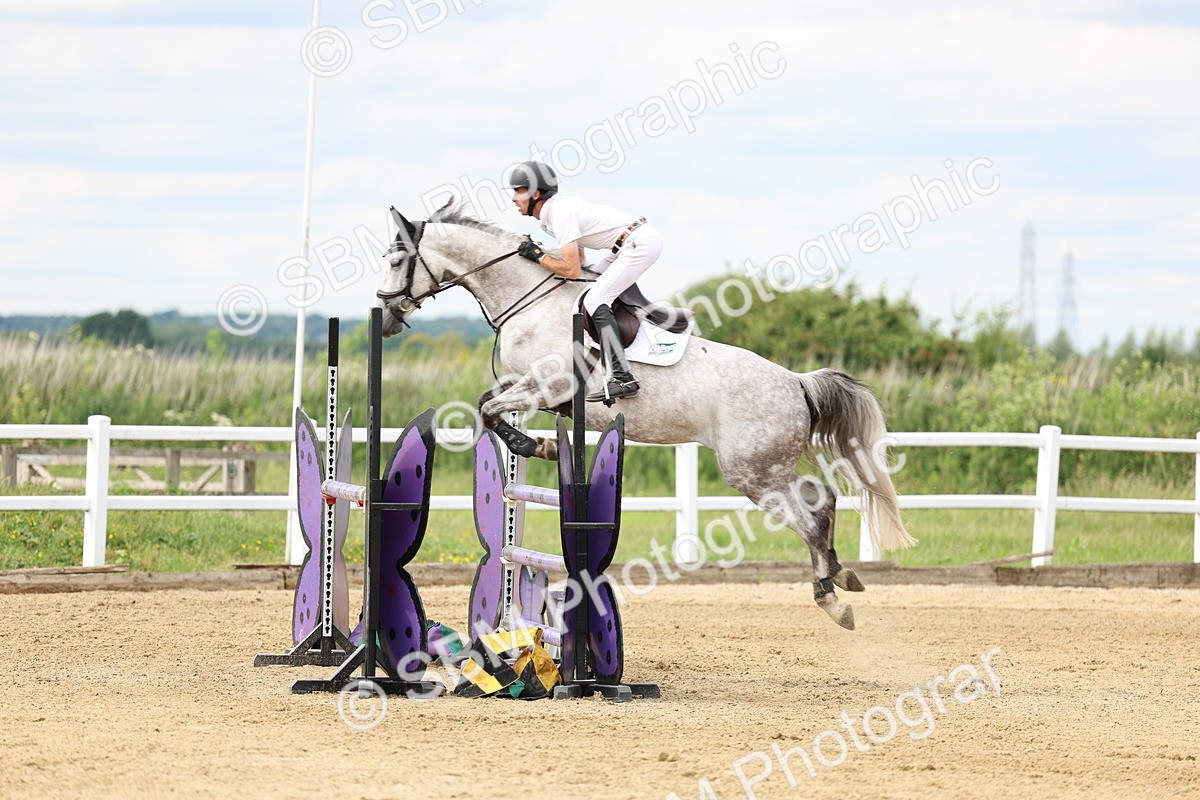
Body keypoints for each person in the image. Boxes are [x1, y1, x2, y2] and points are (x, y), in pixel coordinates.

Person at [507, 160, 662, 402]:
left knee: (596, 299)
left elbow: (571, 269)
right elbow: (579, 259)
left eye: (518, 191)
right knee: (587, 291)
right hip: (623, 246)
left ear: (535, 194)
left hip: (639, 243)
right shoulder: (550, 217)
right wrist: (540, 253)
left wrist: (537, 256)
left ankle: (623, 377)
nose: (513, 199)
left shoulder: (559, 213)